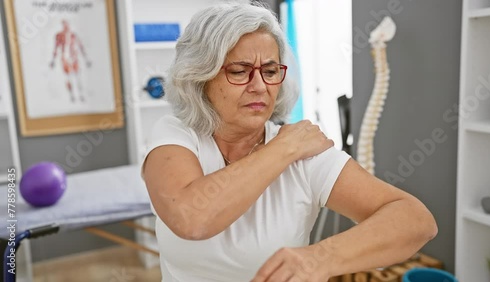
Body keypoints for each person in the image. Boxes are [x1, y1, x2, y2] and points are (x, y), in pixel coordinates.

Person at [141, 3, 438, 282]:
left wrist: (320, 258)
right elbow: (192, 219)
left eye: (270, 71)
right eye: (240, 71)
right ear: (199, 77)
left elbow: (417, 221)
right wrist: (283, 149)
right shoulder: (177, 135)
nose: (260, 86)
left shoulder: (307, 154)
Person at [49, 19, 92, 103]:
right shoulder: (59, 36)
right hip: (65, 58)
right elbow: (56, 47)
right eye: (64, 25)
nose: (66, 27)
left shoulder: (73, 35)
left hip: (74, 57)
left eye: (67, 25)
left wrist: (86, 59)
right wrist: (53, 60)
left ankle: (81, 94)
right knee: (68, 77)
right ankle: (71, 96)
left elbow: (80, 46)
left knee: (77, 76)